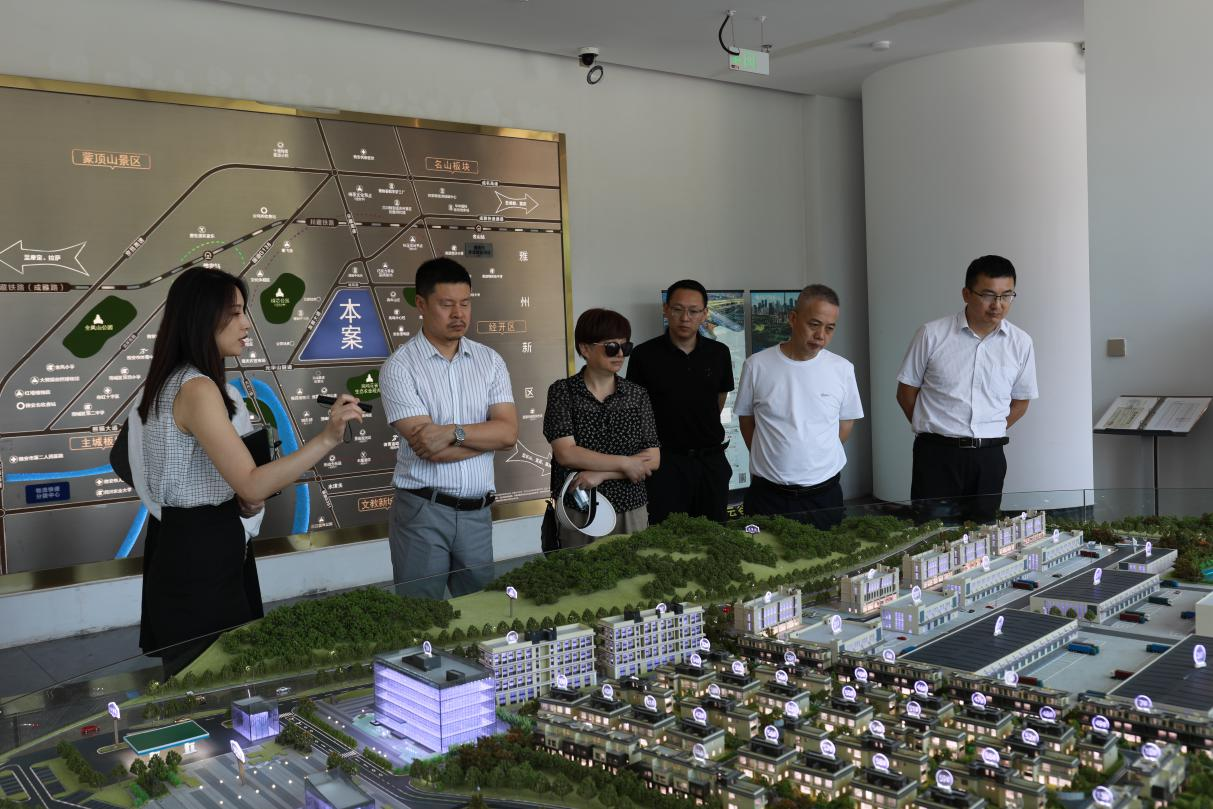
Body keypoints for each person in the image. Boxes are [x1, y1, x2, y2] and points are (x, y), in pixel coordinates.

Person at [135, 267, 364, 677]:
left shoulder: (172, 380)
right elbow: (252, 482)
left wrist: (237, 499)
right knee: (214, 683)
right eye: (235, 313)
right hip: (200, 556)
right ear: (203, 317)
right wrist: (328, 438)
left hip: (185, 543)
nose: (246, 325)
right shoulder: (198, 388)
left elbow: (226, 482)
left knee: (201, 683)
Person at [381, 257, 518, 599]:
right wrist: (486, 438)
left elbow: (508, 434)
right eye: (446, 304)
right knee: (420, 616)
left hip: (478, 514)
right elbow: (431, 450)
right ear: (421, 304)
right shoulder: (400, 367)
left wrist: (452, 432)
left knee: (481, 614)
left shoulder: (490, 361)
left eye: (465, 303)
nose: (459, 314)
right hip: (423, 512)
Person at [895, 254, 1038, 523]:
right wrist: (935, 427)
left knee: (984, 534)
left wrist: (989, 428)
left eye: (1006, 295)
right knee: (932, 533)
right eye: (988, 295)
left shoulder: (1021, 343)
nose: (997, 305)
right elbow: (906, 392)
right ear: (966, 294)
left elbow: (1021, 402)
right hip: (937, 454)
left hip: (989, 457)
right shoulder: (932, 334)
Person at [735, 284, 862, 529]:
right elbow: (746, 421)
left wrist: (814, 454)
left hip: (823, 495)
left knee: (827, 551)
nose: (821, 335)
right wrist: (772, 456)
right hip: (768, 495)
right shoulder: (756, 366)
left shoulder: (842, 369)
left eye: (830, 328)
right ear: (793, 319)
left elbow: (846, 424)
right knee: (762, 552)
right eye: (814, 324)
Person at [543, 308, 661, 548]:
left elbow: (653, 458)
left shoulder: (637, 394)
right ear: (585, 348)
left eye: (625, 346)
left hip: (631, 505)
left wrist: (602, 474)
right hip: (581, 508)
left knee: (634, 568)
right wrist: (625, 463)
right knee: (581, 570)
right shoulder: (563, 392)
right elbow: (566, 453)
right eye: (611, 347)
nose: (620, 354)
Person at [626, 279, 734, 524]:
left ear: (704, 314)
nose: (685, 318)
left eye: (694, 311)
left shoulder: (719, 353)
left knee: (715, 535)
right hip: (665, 463)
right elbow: (635, 410)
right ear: (666, 310)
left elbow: (719, 400)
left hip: (710, 461)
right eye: (678, 309)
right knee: (667, 537)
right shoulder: (644, 355)